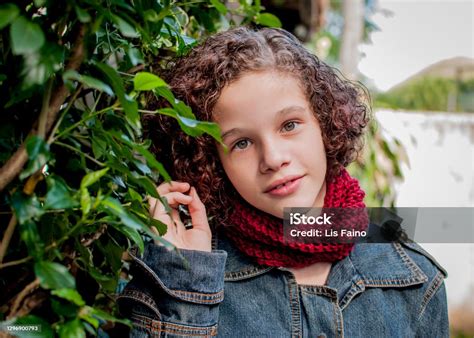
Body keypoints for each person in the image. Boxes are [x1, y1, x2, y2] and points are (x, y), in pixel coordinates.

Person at [117, 27, 449, 337]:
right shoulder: (180, 275)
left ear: (326, 124)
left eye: (289, 125)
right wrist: (185, 285)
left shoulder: (414, 278)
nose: (273, 158)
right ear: (212, 162)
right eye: (241, 143)